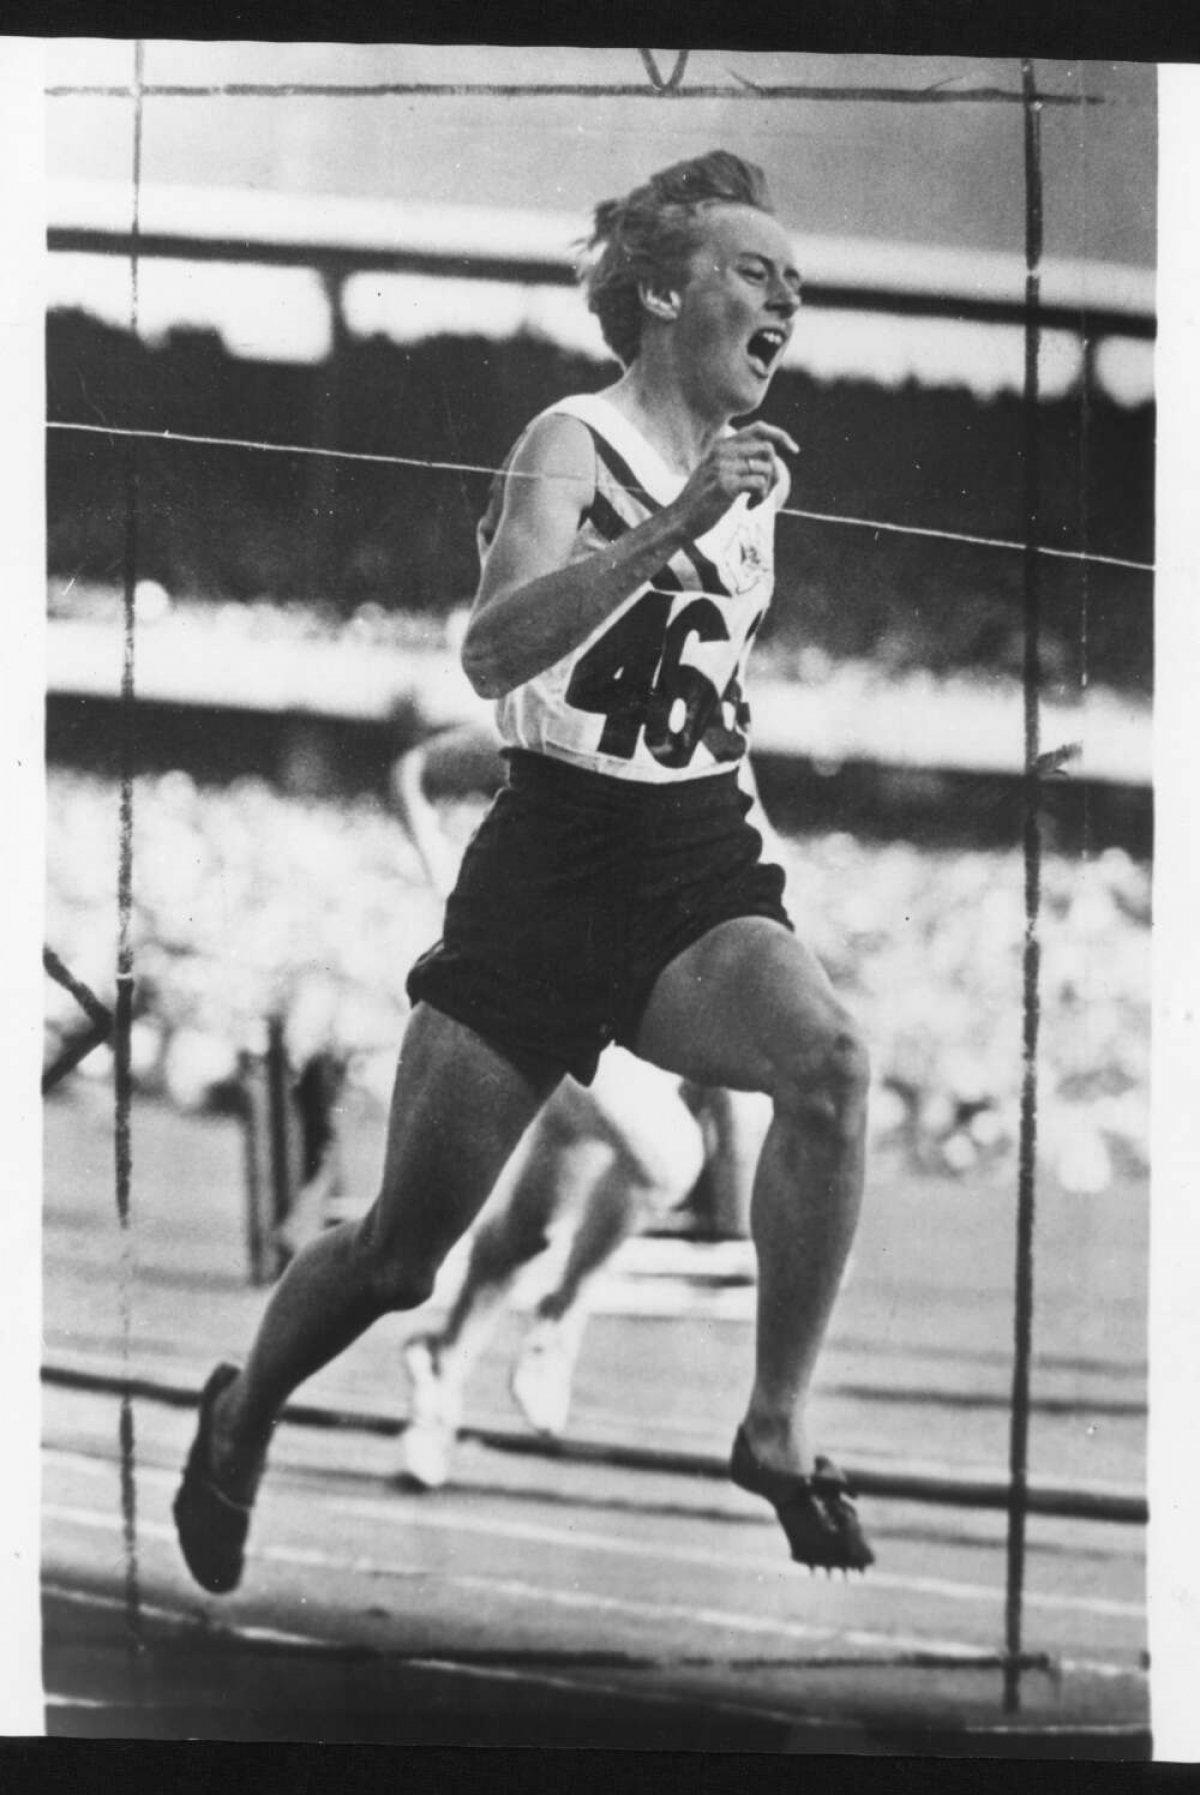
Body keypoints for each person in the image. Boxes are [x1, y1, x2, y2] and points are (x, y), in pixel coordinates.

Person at [174, 148, 874, 1595]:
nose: (787, 297)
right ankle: (243, 1409)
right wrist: (670, 530)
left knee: (833, 1064)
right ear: (670, 288)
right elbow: (492, 656)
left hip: (689, 854)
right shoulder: (571, 438)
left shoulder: (758, 483)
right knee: (398, 1253)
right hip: (549, 861)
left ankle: (775, 1423)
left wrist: (760, 863)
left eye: (796, 281)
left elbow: (710, 695)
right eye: (758, 270)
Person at [390, 721, 771, 1489]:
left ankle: (444, 1362)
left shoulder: (684, 776)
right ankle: (561, 1317)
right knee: (670, 1157)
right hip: (552, 1031)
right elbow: (424, 773)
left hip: (611, 1046)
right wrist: (416, 784)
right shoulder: (540, 800)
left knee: (530, 1230)